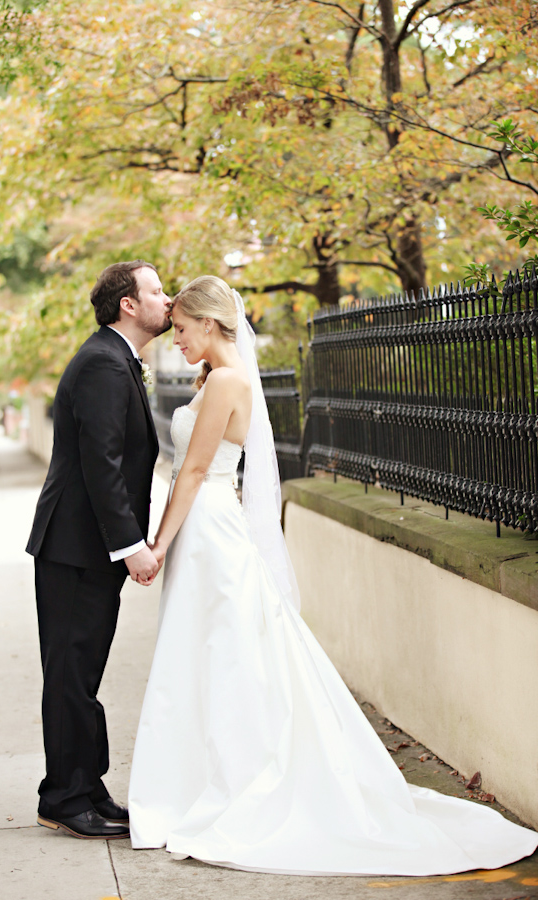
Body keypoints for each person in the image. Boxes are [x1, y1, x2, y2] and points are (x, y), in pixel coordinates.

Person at [127, 275, 538, 875]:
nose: (179, 340)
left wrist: (157, 543)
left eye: (184, 330)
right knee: (209, 650)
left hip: (209, 528)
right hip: (208, 527)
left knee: (221, 650)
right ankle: (200, 774)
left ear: (211, 323)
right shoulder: (220, 378)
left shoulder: (230, 382)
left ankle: (227, 778)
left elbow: (191, 474)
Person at [27, 260, 171, 840]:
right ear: (128, 305)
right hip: (76, 548)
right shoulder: (103, 365)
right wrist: (131, 546)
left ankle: (86, 785)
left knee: (80, 673)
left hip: (85, 549)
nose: (168, 299)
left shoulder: (114, 361)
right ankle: (63, 796)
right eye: (157, 291)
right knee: (69, 673)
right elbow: (101, 466)